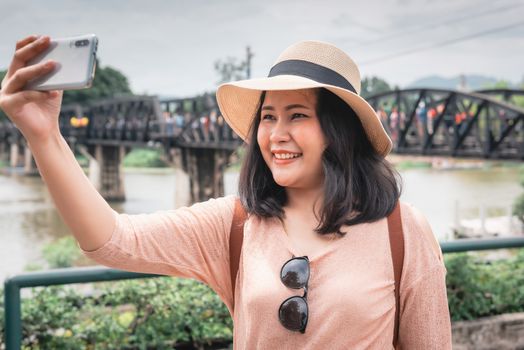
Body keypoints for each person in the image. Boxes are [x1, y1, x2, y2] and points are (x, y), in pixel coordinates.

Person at [0, 37, 452, 349]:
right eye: (268, 117)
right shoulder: (235, 224)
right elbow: (111, 239)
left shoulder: (402, 230)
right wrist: (45, 137)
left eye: (297, 115)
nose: (276, 134)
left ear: (340, 131)